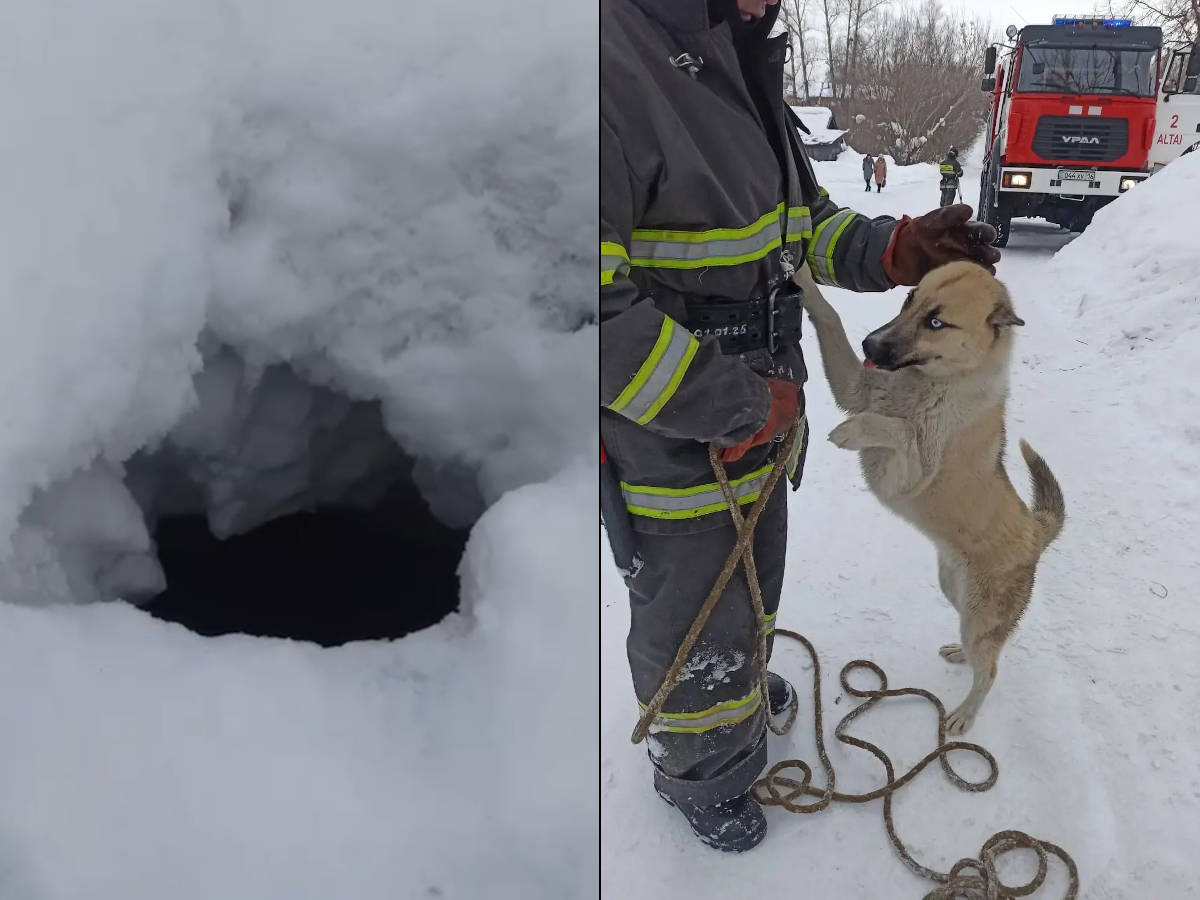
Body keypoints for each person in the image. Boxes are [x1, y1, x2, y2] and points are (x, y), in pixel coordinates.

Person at [600, 0, 1000, 853]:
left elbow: (796, 226)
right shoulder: (602, 62)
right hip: (674, 431)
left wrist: (894, 249)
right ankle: (701, 770)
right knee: (691, 606)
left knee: (747, 581)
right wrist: (736, 403)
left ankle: (737, 697)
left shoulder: (732, 54)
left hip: (754, 415)